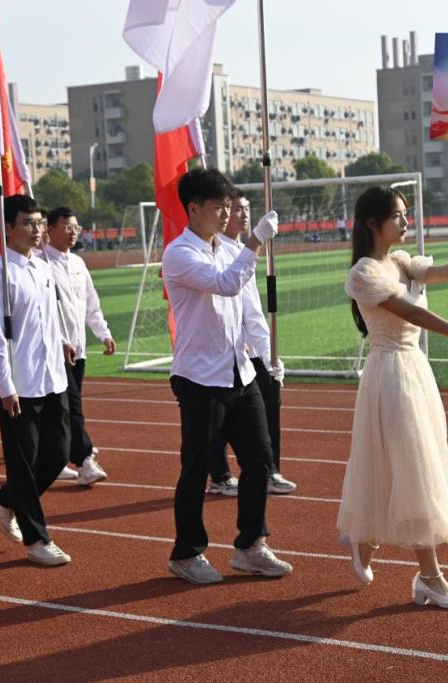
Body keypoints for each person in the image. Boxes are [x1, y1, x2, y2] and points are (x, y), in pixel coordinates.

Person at [338, 186, 448, 610]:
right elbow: (410, 312)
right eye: (397, 215)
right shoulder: (364, 273)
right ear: (373, 222)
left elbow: (444, 272)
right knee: (413, 467)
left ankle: (365, 539)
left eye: (406, 213)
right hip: (389, 374)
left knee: (409, 463)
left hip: (415, 372)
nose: (406, 221)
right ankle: (429, 576)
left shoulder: (400, 261)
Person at [161, 167, 292, 584]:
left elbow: (248, 307)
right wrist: (256, 241)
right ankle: (187, 552)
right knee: (197, 468)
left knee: (260, 459)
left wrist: (267, 354)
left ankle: (251, 545)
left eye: (228, 206)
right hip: (200, 378)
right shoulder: (180, 254)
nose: (225, 214)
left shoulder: (228, 249)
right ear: (193, 208)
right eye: (218, 207)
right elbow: (226, 284)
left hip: (240, 371)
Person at [0, 194, 74, 567]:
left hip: (51, 376)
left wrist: (62, 340)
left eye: (39, 222)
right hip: (18, 383)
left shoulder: (42, 266)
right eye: (28, 223)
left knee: (58, 454)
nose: (37, 230)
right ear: (7, 228)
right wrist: (5, 385)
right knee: (23, 462)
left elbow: (47, 316)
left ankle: (5, 500)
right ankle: (37, 540)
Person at [208, 189, 296, 497]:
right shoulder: (218, 250)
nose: (243, 214)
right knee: (219, 416)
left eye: (246, 209)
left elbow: (253, 309)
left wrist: (269, 352)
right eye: (236, 209)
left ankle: (269, 470)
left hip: (250, 349)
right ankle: (220, 473)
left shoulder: (242, 250)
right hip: (229, 350)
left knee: (269, 403)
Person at [41, 206, 115, 486]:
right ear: (50, 230)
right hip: (55, 351)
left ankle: (52, 458)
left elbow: (91, 303)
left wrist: (103, 333)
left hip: (78, 348)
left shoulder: (78, 263)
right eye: (67, 227)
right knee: (71, 408)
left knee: (64, 409)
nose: (73, 232)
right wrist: (60, 341)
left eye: (76, 228)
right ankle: (84, 460)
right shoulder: (41, 263)